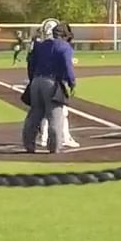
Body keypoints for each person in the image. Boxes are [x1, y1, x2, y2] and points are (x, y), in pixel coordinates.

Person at [21, 19, 78, 154]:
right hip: (52, 83)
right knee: (55, 116)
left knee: (34, 114)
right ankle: (54, 147)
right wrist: (72, 83)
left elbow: (31, 63)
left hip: (36, 82)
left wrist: (33, 80)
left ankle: (29, 145)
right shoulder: (64, 47)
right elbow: (67, 67)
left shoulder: (40, 45)